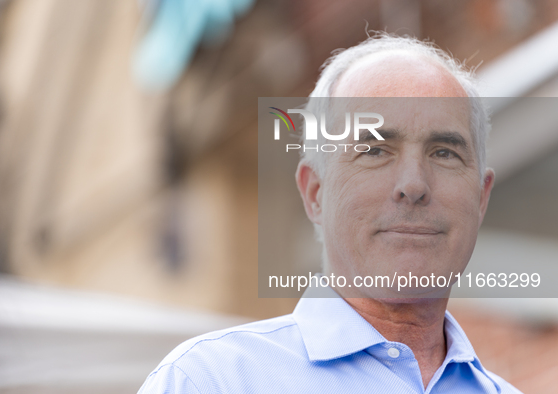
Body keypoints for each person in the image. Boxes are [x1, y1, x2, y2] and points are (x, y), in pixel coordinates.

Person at [138, 34, 522, 393]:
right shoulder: (211, 381)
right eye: (374, 151)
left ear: (482, 197)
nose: (414, 184)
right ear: (315, 193)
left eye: (444, 152)